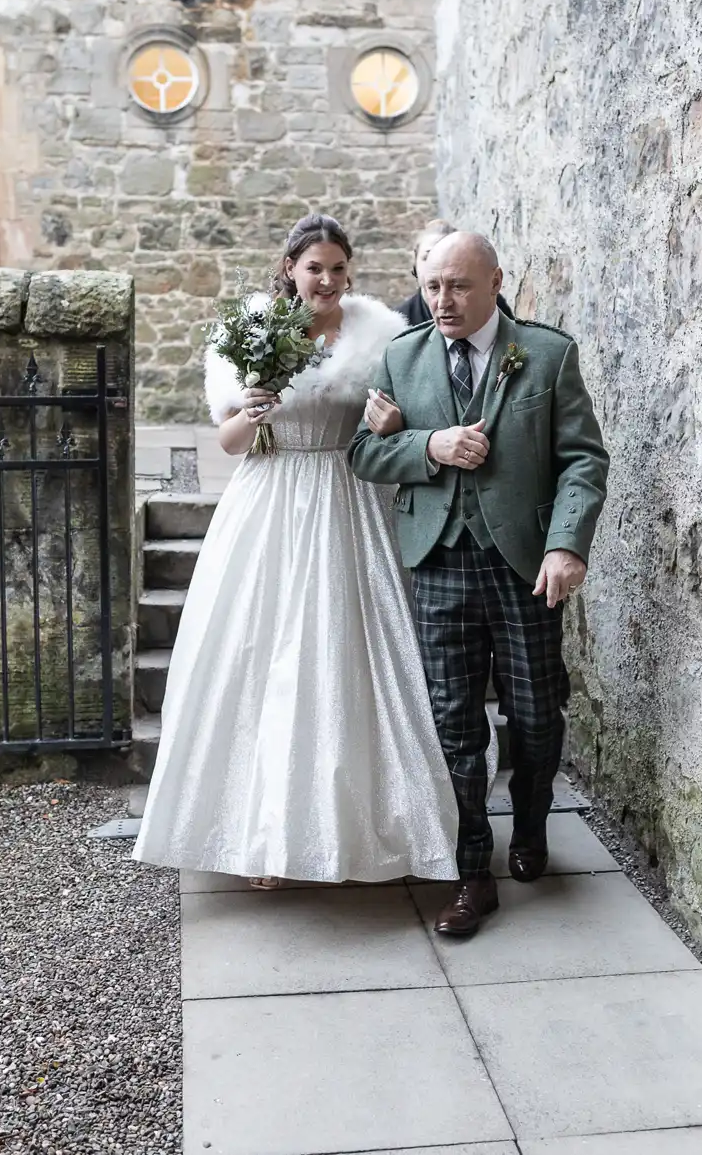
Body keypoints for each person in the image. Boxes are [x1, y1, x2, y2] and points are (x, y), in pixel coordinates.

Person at [132, 213, 459, 888]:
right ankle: (266, 838)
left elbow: (401, 433)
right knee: (263, 659)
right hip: (270, 503)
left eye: (340, 268)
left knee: (348, 658)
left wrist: (391, 422)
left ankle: (370, 829)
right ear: (289, 269)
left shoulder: (380, 340)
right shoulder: (248, 337)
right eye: (316, 268)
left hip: (350, 501)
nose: (329, 281)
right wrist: (250, 414)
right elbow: (227, 441)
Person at [351, 232, 609, 937]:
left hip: (525, 563)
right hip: (438, 560)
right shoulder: (402, 357)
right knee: (454, 720)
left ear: (497, 280)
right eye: (432, 285)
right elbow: (363, 451)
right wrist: (427, 444)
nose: (443, 301)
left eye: (459, 286)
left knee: (536, 712)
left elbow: (582, 461)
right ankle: (472, 870)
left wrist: (566, 544)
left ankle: (530, 821)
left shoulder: (548, 355)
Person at [399, 217, 514, 326]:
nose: (437, 265)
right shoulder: (401, 322)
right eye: (428, 256)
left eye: (448, 256)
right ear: (415, 263)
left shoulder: (489, 301)